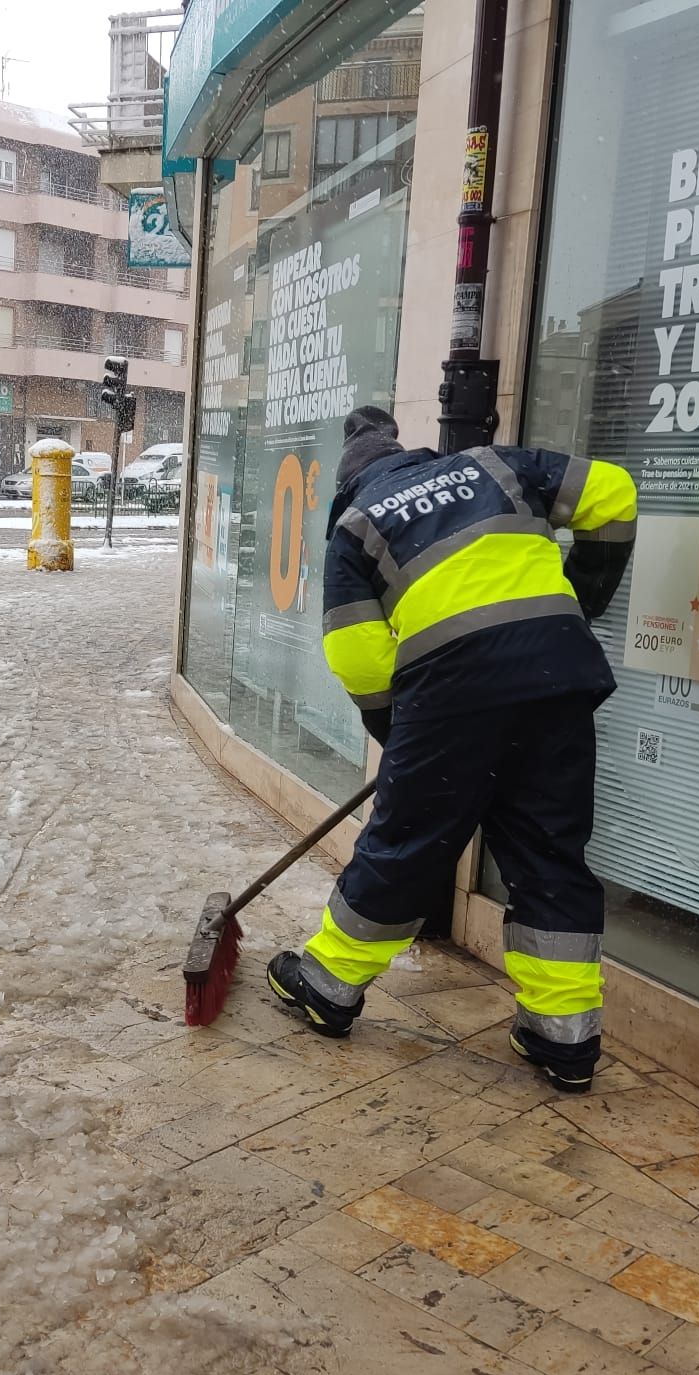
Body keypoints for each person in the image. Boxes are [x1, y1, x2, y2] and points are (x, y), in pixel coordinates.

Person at [267, 407, 638, 1092]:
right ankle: (564, 1039)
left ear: (351, 485)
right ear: (408, 456)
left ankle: (327, 986)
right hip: (558, 680)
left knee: (408, 841)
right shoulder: (493, 464)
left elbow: (358, 660)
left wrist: (398, 737)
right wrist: (581, 600)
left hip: (452, 695)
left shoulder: (356, 528)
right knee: (549, 849)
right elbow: (612, 492)